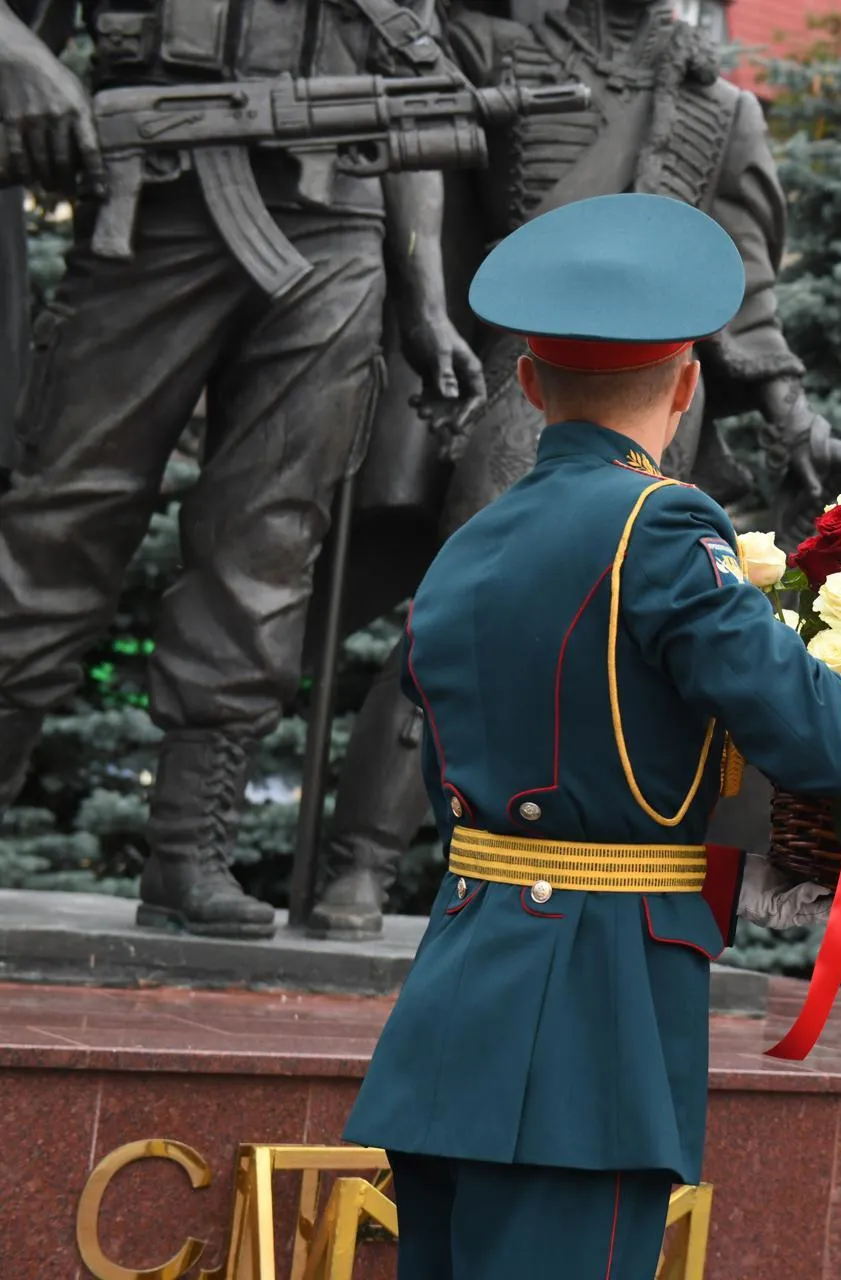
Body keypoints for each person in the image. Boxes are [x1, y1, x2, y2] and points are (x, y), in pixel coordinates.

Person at [342, 193, 841, 1277]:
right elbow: (823, 739)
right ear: (686, 389)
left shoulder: (467, 546)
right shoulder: (664, 523)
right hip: (593, 1018)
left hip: (455, 997)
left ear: (528, 385)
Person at [304, 0, 841, 940]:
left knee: (631, 646)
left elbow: (745, 283)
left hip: (662, 407)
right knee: (460, 614)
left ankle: (603, 872)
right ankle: (361, 860)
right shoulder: (488, 49)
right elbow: (423, 185)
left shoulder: (721, 108)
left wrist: (793, 416)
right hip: (521, 381)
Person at [0, 0, 484, 937]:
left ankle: (190, 851)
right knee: (62, 523)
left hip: (335, 227)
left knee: (269, 540)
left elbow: (412, 100)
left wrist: (423, 301)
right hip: (154, 207)